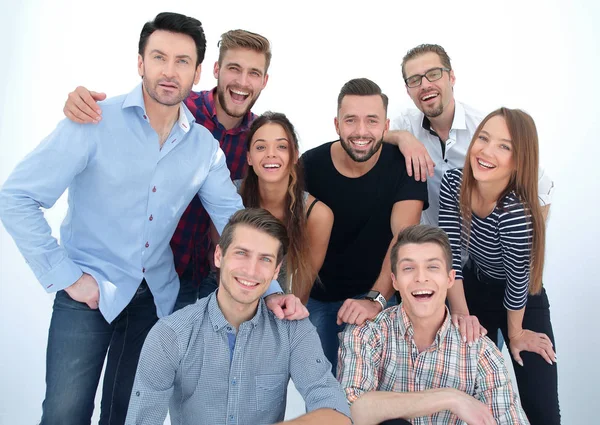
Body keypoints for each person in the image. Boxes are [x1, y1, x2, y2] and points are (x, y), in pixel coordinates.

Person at [0, 12, 247, 425]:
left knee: (131, 418)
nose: (170, 71)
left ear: (199, 71)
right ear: (140, 62)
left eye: (183, 61)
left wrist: (273, 289)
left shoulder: (204, 148)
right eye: (159, 57)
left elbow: (233, 221)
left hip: (156, 300)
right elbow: (17, 196)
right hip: (87, 294)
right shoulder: (94, 122)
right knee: (64, 416)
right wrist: (65, 275)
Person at [61, 29, 306, 314]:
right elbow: (127, 119)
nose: (242, 82)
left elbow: (235, 211)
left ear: (264, 81)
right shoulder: (176, 108)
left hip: (211, 278)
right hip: (144, 274)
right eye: (233, 69)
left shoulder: (260, 141)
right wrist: (82, 102)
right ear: (215, 69)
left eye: (253, 73)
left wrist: (273, 290)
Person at [384, 43, 554, 344]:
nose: (425, 85)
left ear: (451, 77)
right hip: (435, 266)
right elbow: (369, 135)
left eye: (433, 74)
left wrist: (524, 244)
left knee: (485, 356)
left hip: (487, 266)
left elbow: (539, 185)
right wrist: (402, 138)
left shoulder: (485, 129)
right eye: (414, 80)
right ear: (408, 90)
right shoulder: (405, 125)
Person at [124, 208, 351, 425]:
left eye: (265, 259)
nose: (251, 271)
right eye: (241, 253)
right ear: (219, 256)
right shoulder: (170, 335)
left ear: (275, 271)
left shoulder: (292, 329)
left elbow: (335, 411)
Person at [337, 224, 529, 425]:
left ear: (450, 279)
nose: (421, 277)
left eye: (432, 267)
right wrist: (450, 398)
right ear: (394, 281)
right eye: (408, 268)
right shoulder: (367, 334)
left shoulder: (480, 351)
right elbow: (352, 409)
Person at [438, 107, 560, 424]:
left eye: (504, 146)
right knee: (475, 404)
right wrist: (462, 315)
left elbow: (519, 280)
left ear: (519, 160)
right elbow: (450, 255)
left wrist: (516, 333)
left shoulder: (515, 212)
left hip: (523, 299)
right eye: (483, 138)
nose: (487, 151)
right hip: (474, 293)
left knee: (542, 410)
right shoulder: (453, 183)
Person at [301, 78, 428, 371]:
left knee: (378, 392)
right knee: (328, 393)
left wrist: (375, 299)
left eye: (371, 121)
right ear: (336, 124)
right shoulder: (310, 165)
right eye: (350, 120)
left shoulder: (405, 165)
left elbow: (404, 237)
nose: (360, 131)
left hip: (379, 293)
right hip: (320, 298)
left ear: (386, 126)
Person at [208, 111, 333, 303]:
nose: (271, 153)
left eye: (281, 146)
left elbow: (300, 291)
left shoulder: (317, 214)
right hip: (227, 298)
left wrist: (282, 316)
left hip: (277, 304)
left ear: (294, 156)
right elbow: (219, 266)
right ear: (249, 158)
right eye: (261, 147)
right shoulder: (229, 195)